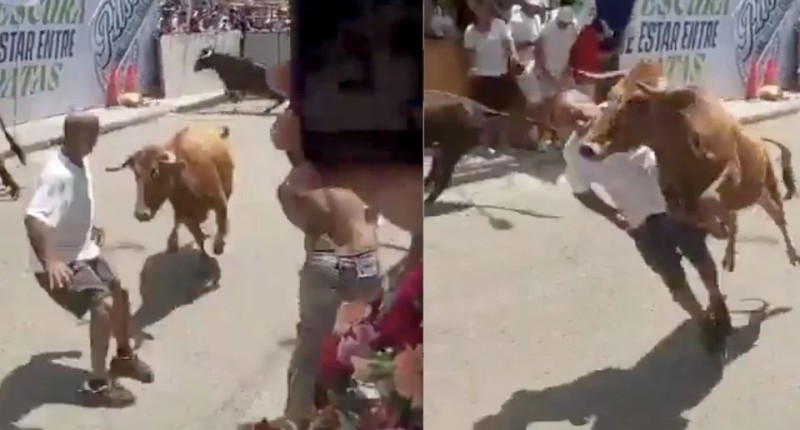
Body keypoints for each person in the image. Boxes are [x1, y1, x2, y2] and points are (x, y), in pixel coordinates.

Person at [268, 64, 421, 427]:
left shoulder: (298, 188)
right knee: (359, 345)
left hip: (329, 262)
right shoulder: (360, 173)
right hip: (361, 262)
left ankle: (301, 416)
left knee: (315, 348)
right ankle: (332, 408)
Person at [561, 106, 731, 351]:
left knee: (701, 258)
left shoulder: (628, 114)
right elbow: (581, 192)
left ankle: (715, 298)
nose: (580, 121)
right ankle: (703, 322)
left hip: (675, 207)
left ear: (592, 104)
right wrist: (614, 216)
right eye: (571, 120)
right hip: (640, 223)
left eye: (581, 112)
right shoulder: (575, 153)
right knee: (672, 277)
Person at [24, 114, 153, 407]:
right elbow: (34, 218)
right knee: (102, 304)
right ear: (74, 136)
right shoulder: (56, 173)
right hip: (58, 261)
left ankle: (123, 358)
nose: (96, 141)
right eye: (92, 135)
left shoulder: (79, 159)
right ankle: (96, 384)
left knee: (119, 293)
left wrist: (88, 226)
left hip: (83, 249)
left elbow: (74, 201)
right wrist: (52, 259)